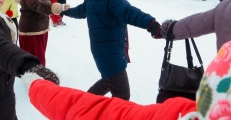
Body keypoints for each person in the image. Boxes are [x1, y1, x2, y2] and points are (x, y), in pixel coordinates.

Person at [21, 40, 231, 120]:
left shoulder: (181, 115)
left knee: (110, 85)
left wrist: (38, 86)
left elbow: (96, 111)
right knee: (119, 89)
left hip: (107, 53)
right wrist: (153, 25)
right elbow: (132, 14)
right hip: (114, 55)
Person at [60, 0, 162, 100]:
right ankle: (83, 106)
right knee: (122, 97)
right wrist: (150, 23)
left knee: (109, 81)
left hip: (102, 50)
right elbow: (127, 12)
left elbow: (80, 11)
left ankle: (82, 103)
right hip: (111, 52)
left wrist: (65, 11)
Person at [18, 0, 69, 66]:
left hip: (39, 28)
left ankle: (37, 76)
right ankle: (36, 77)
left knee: (38, 57)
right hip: (31, 31)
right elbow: (40, 5)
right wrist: (55, 8)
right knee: (34, 58)